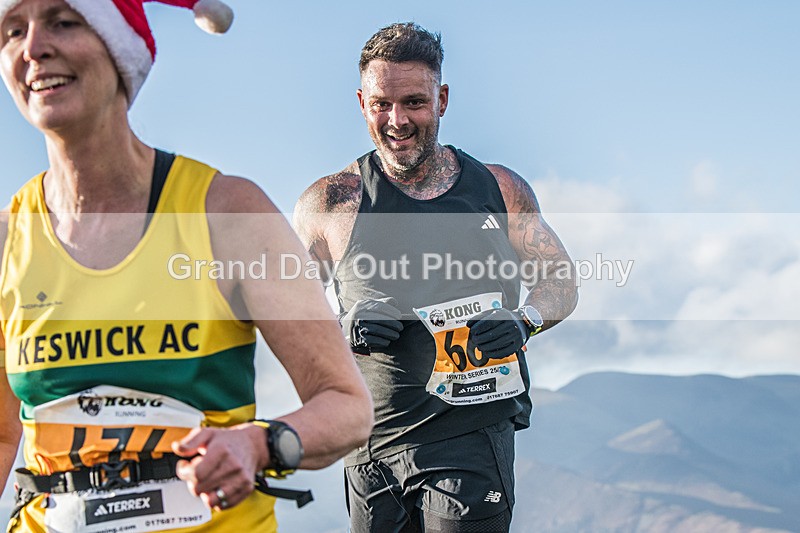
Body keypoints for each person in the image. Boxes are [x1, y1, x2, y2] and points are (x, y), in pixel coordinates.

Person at [0, 0, 373, 531]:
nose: (33, 48)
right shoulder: (8, 239)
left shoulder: (227, 213)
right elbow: (3, 436)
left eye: (63, 21)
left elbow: (347, 407)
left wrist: (257, 445)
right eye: (13, 30)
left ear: (119, 47)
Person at [294, 22, 579, 533]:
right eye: (381, 104)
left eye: (414, 102)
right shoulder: (330, 203)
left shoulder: (498, 189)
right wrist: (344, 326)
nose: (397, 120)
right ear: (361, 103)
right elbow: (291, 310)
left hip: (471, 432)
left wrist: (525, 320)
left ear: (442, 100)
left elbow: (560, 277)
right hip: (371, 443)